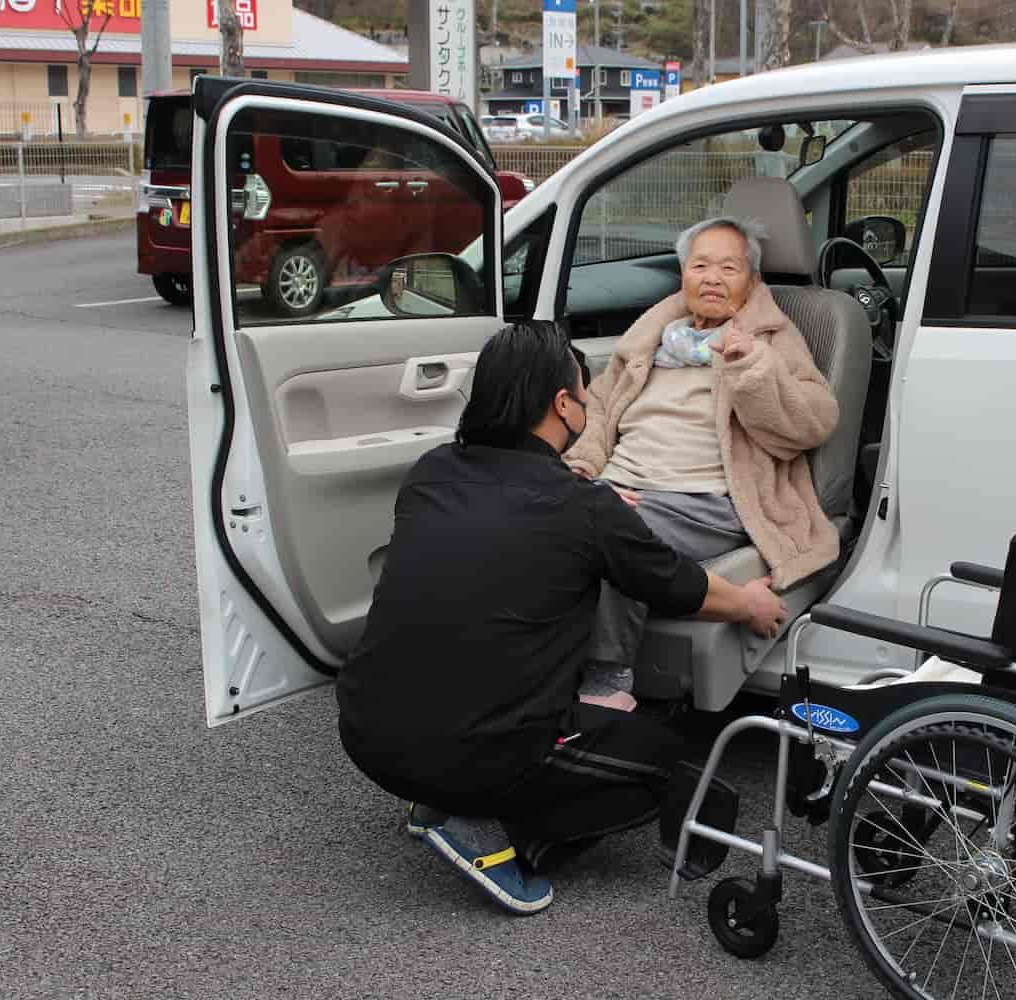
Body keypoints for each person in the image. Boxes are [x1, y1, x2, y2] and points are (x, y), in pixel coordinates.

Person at [335, 320, 788, 916]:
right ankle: (495, 835)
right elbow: (679, 585)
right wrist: (750, 601)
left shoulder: (430, 472)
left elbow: (497, 535)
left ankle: (433, 801)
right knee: (664, 760)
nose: (588, 403)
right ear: (561, 405)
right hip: (478, 751)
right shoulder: (585, 508)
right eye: (584, 392)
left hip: (367, 730)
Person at [566, 216, 840, 710]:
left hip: (705, 500)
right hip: (620, 484)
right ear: (683, 275)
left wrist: (752, 368)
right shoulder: (654, 334)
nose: (711, 278)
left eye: (728, 267)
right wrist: (585, 469)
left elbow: (812, 423)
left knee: (613, 531)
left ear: (752, 282)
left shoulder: (769, 340)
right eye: (700, 265)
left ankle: (608, 684)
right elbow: (600, 409)